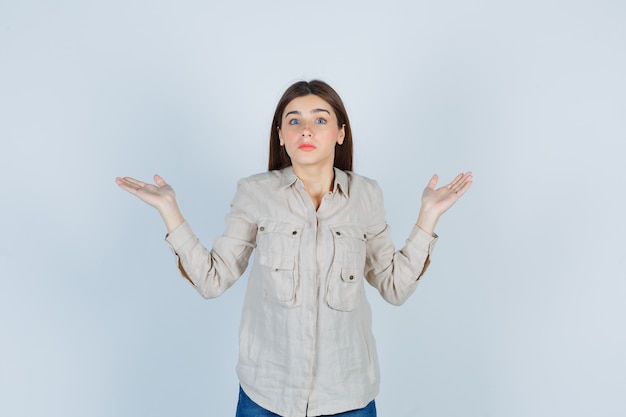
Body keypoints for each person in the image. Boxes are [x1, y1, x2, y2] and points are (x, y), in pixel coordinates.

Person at [115, 80, 472, 417]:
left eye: (320, 119)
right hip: (266, 397)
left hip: (349, 398)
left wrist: (428, 215)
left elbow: (395, 287)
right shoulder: (255, 193)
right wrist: (169, 209)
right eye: (294, 120)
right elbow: (212, 280)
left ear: (340, 133)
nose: (307, 130)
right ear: (281, 136)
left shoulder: (366, 196)